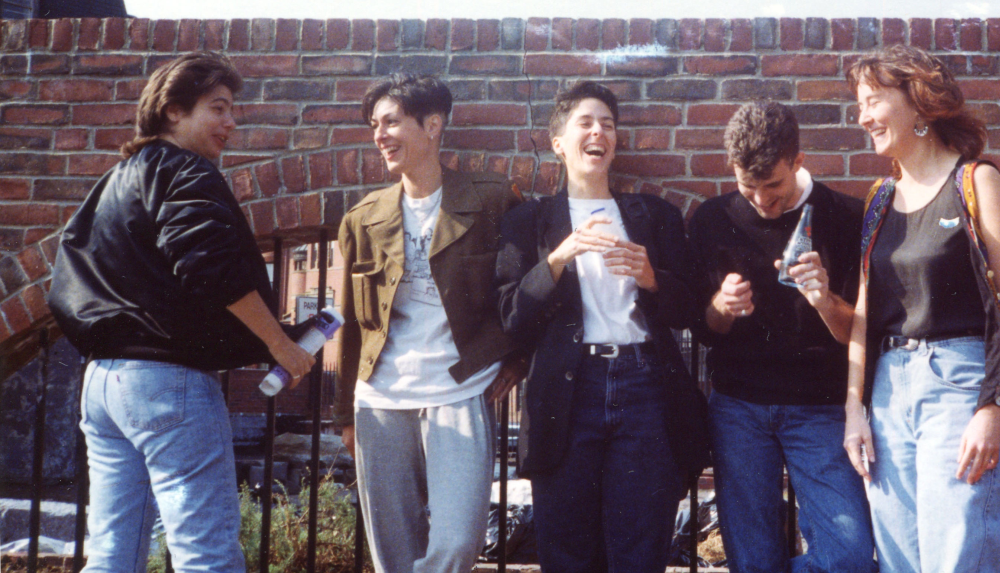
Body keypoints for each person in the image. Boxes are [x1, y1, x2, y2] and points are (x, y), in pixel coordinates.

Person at [49, 51, 315, 573]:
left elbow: (68, 278)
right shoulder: (187, 171)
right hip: (168, 384)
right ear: (173, 110)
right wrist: (279, 345)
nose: (230, 123)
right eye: (218, 108)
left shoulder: (116, 180)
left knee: (110, 554)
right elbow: (209, 266)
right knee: (205, 552)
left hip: (102, 383)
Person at [494, 81, 709, 573]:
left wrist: (652, 278)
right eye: (586, 124)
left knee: (640, 546)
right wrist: (558, 258)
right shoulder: (530, 221)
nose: (599, 132)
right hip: (568, 391)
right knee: (566, 547)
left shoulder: (653, 216)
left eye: (608, 124)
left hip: (644, 386)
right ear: (558, 144)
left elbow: (690, 310)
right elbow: (511, 315)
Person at [333, 73, 525, 573]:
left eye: (391, 121)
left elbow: (522, 289)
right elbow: (351, 323)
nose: (379, 134)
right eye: (375, 124)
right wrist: (344, 415)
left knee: (458, 542)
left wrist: (519, 358)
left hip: (459, 390)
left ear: (433, 124)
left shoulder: (492, 198)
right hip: (380, 399)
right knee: (392, 555)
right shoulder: (363, 217)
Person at [845, 45, 1000, 573]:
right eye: (859, 104)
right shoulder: (880, 198)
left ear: (918, 103)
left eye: (873, 101)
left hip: (961, 383)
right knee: (899, 558)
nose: (863, 117)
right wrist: (855, 405)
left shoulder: (977, 183)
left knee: (957, 557)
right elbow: (863, 312)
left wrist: (992, 405)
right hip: (887, 391)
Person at [686, 101, 876, 573]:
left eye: (773, 185)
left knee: (849, 556)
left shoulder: (845, 216)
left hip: (822, 406)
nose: (763, 202)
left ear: (798, 159)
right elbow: (704, 330)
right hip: (738, 407)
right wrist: (720, 308)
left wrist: (825, 298)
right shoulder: (711, 219)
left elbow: (860, 333)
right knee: (751, 557)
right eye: (748, 188)